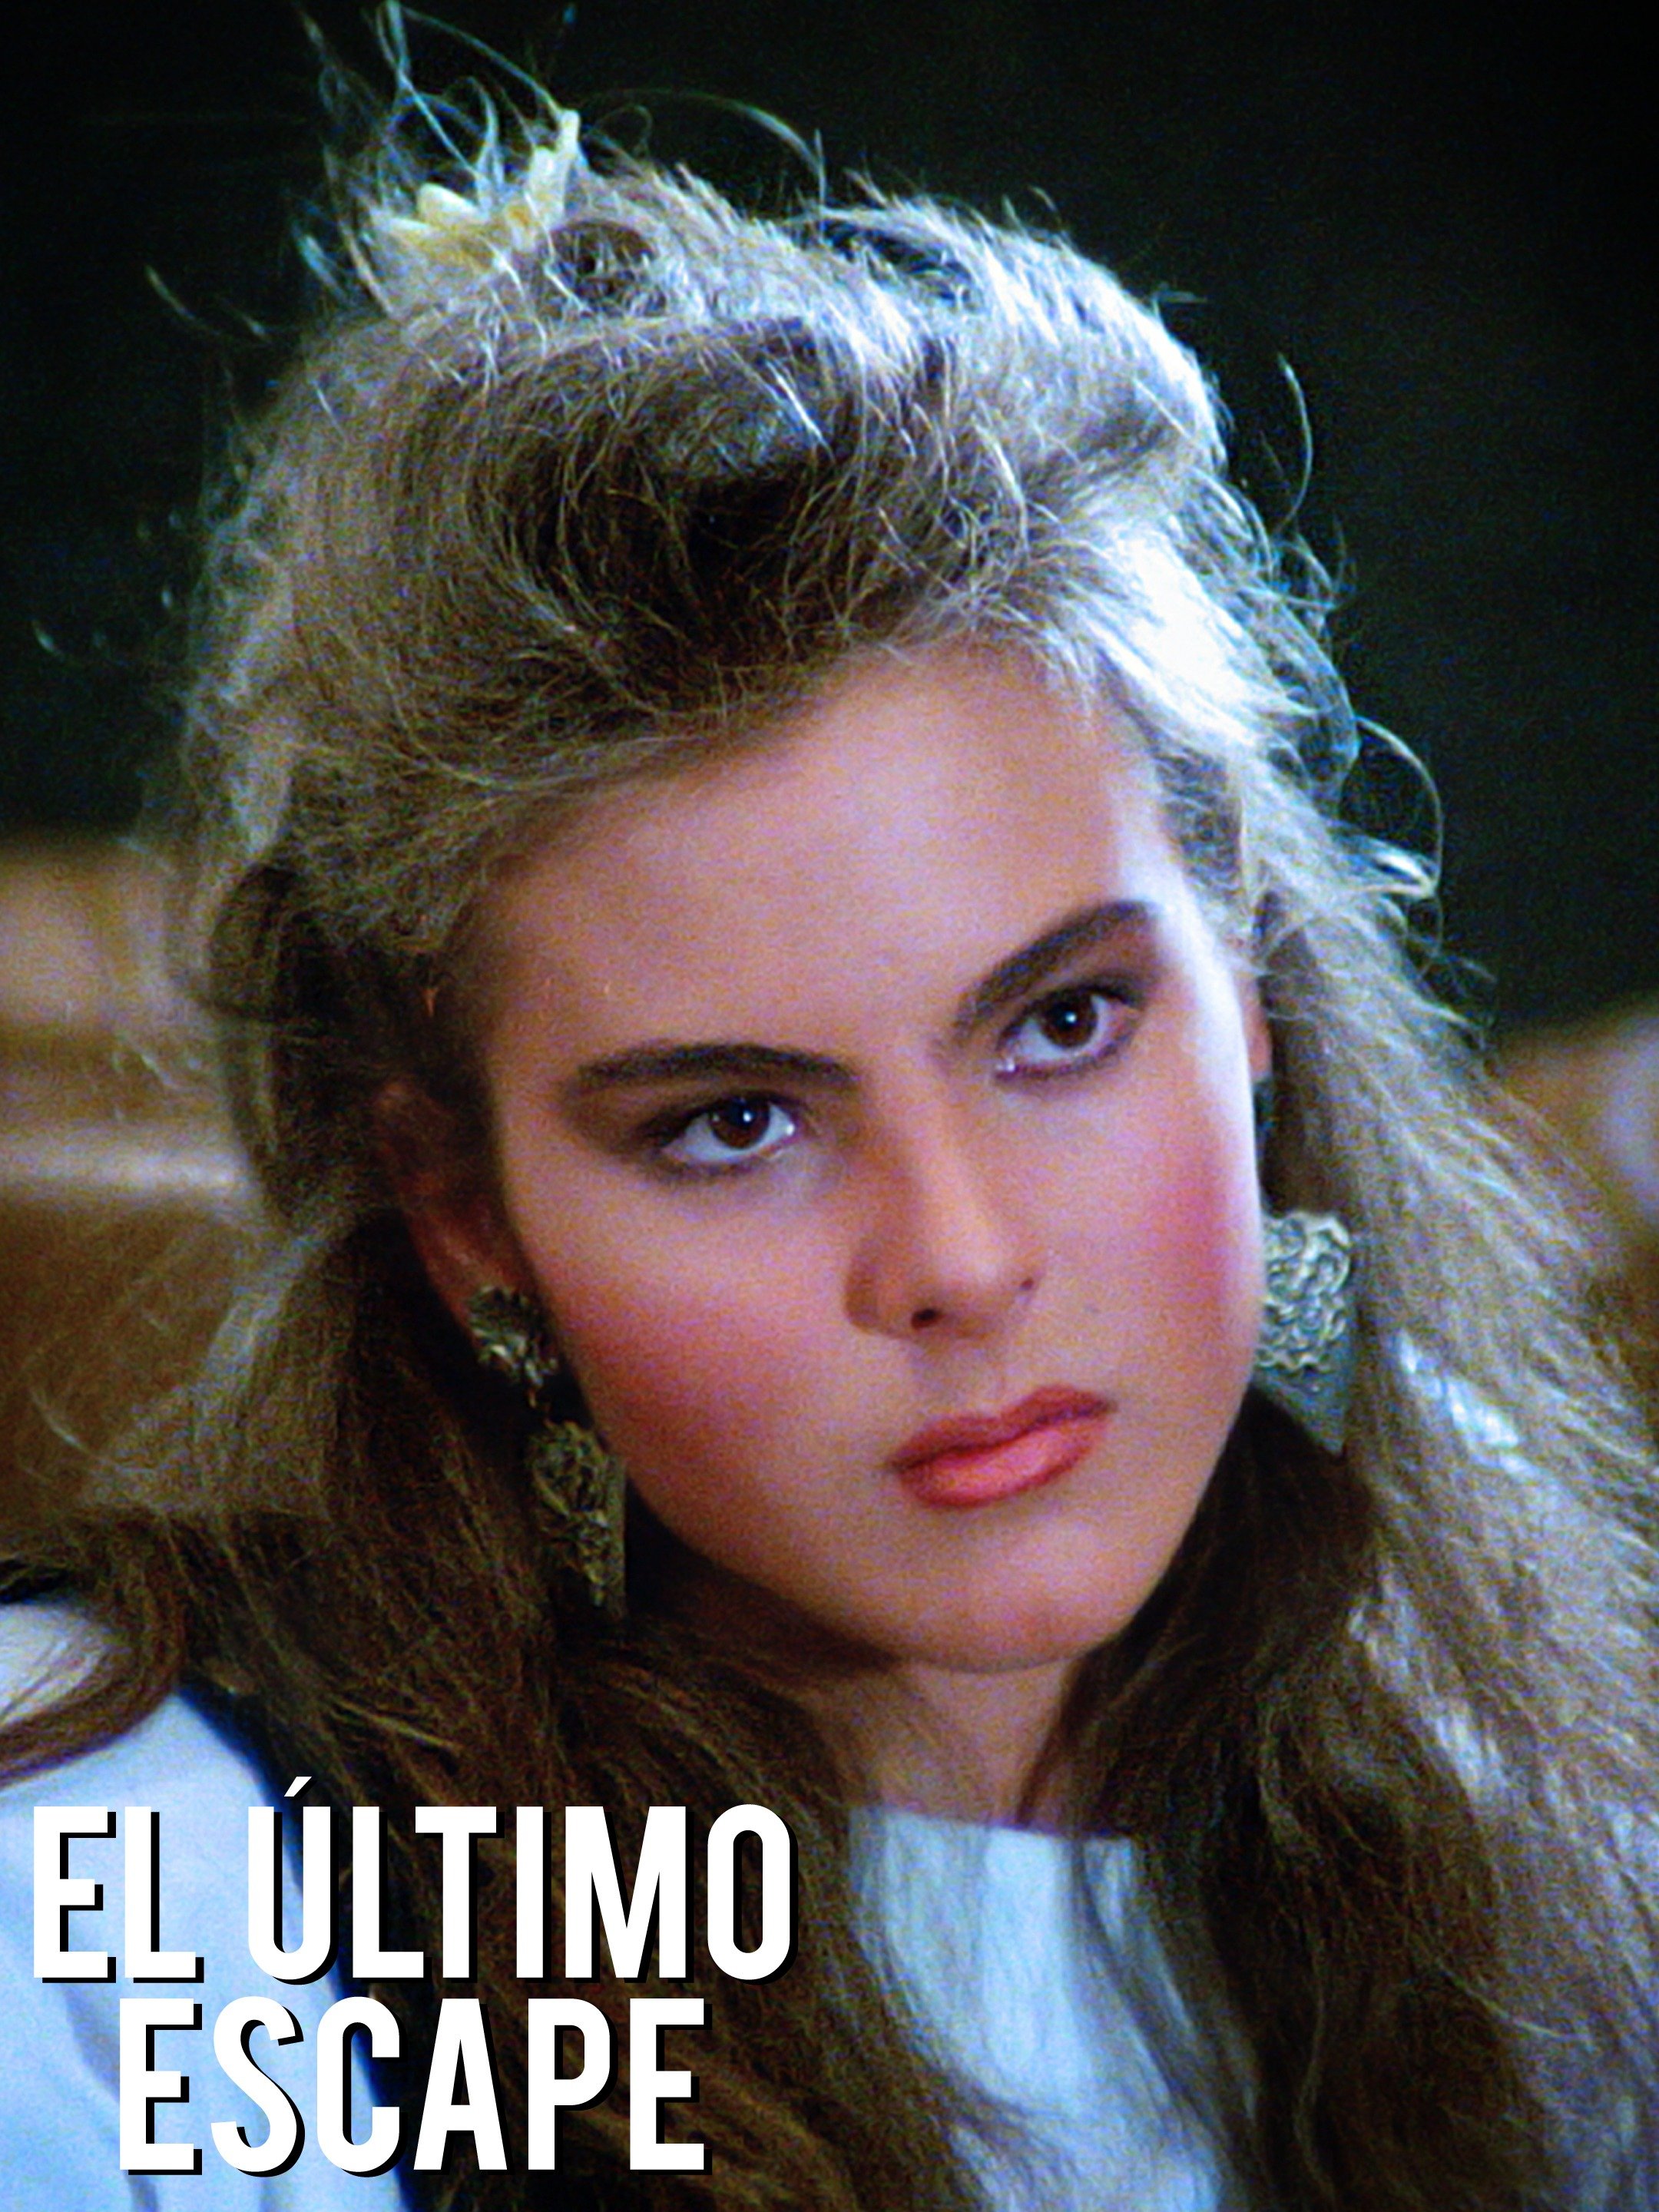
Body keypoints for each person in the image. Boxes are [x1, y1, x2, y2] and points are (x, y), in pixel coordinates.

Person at [2, 51, 1657, 2212]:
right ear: (466, 1216)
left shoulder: (1534, 1768)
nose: (958, 1259)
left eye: (1062, 1023)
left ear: (1248, 992)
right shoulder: (126, 1890)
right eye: (733, 1125)